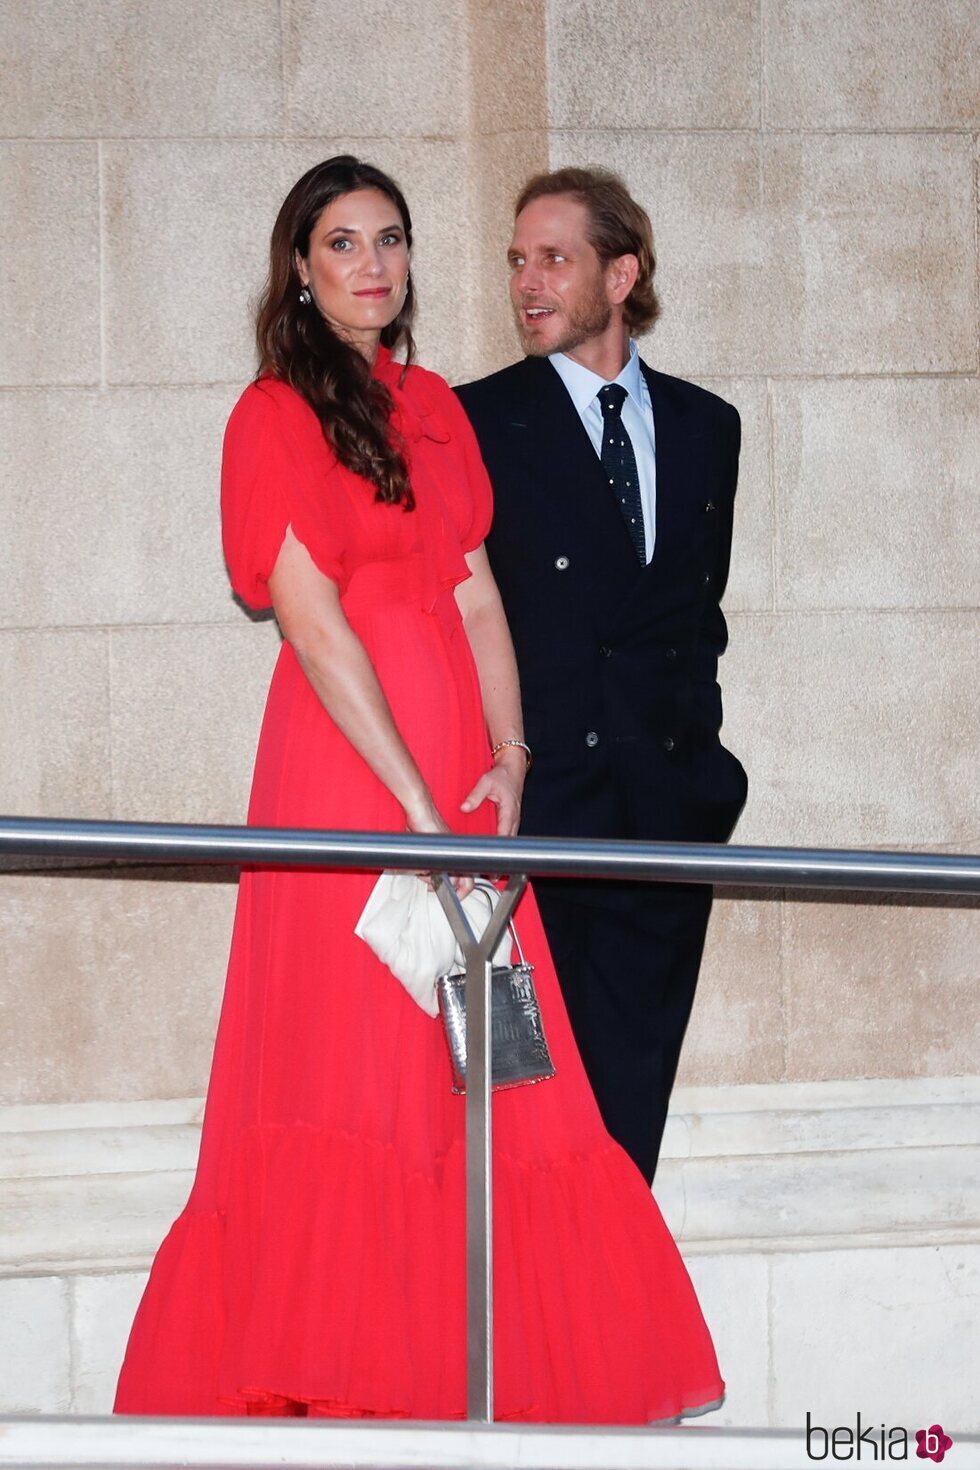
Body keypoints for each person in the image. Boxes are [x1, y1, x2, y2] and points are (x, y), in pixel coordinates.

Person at [113, 156, 724, 1423]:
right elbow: (313, 622)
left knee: (491, 1083)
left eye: (389, 239)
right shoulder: (271, 414)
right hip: (346, 780)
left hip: (458, 782)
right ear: (300, 267)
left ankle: (486, 1379)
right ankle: (339, 1381)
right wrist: (411, 804)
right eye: (343, 243)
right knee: (351, 1073)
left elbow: (475, 591)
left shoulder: (436, 404)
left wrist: (504, 762)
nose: (373, 265)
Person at [455, 168, 748, 1186]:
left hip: (662, 823)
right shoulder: (473, 421)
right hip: (533, 832)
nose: (526, 283)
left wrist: (706, 783)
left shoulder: (709, 426)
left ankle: (602, 1340)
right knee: (513, 1124)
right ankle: (516, 1340)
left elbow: (686, 620)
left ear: (619, 274)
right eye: (515, 261)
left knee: (626, 1135)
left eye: (554, 258)